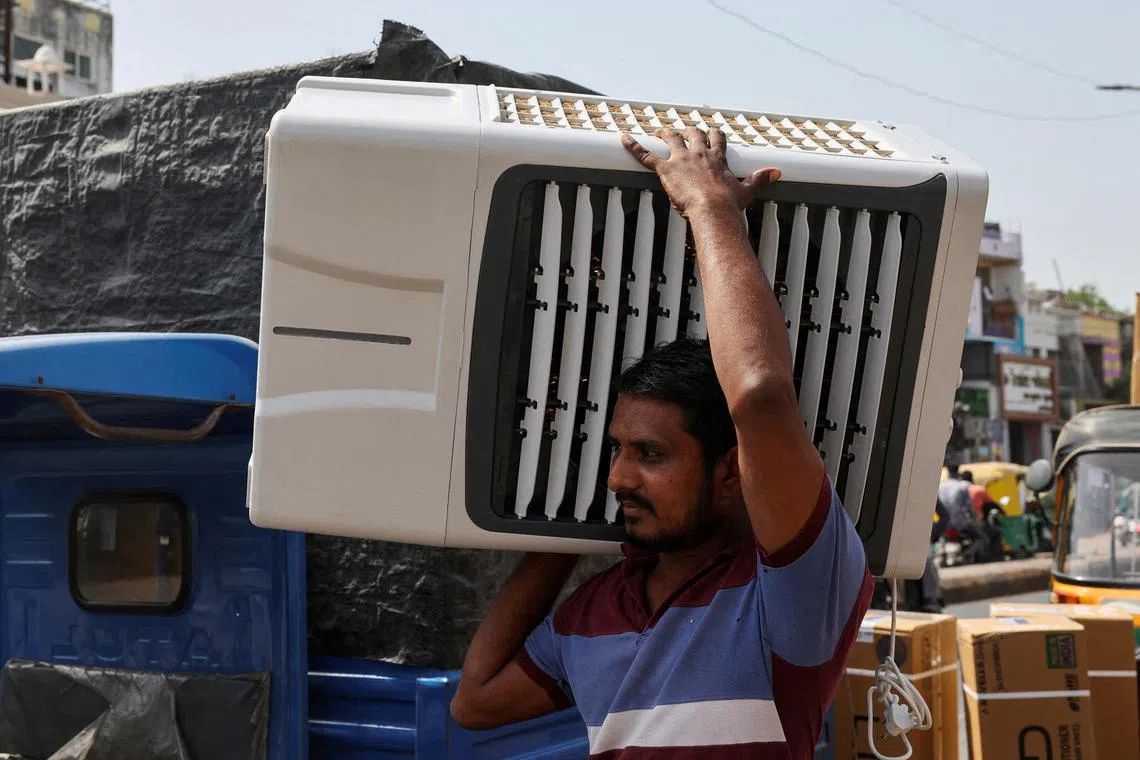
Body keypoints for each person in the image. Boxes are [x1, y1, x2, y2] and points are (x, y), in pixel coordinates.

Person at [450, 126, 873, 759]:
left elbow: (759, 399)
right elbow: (474, 703)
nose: (618, 478)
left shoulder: (789, 595)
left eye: (650, 455)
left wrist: (709, 208)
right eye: (616, 451)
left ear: (732, 471)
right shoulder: (594, 611)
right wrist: (559, 523)